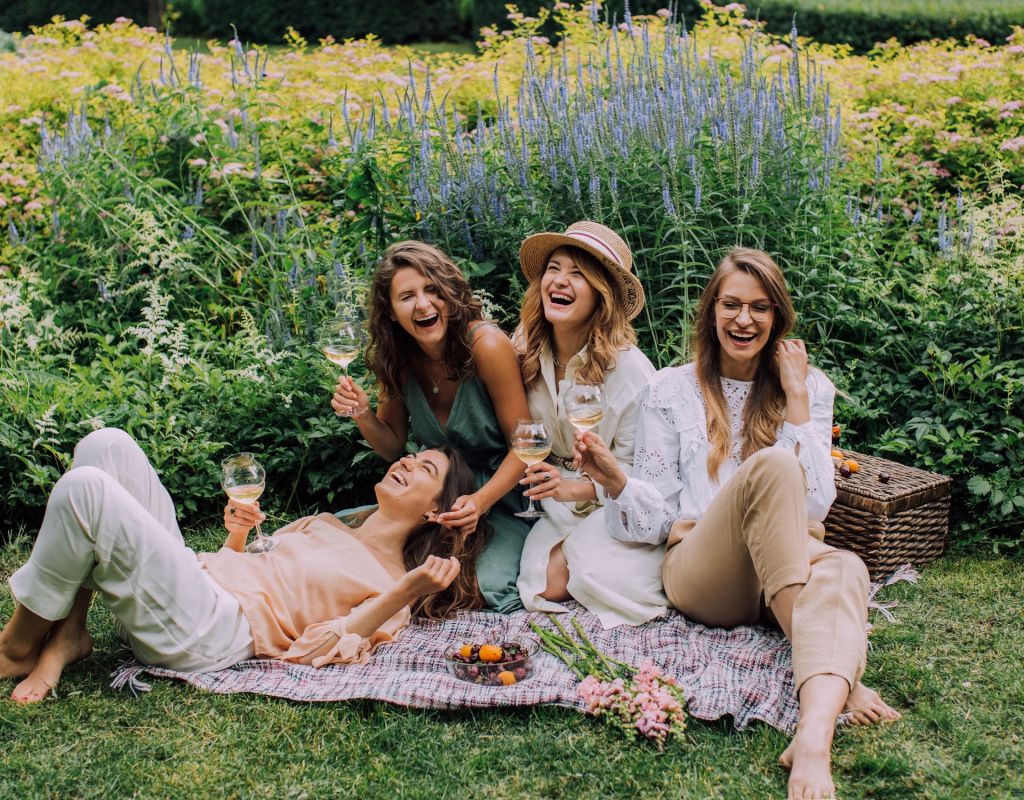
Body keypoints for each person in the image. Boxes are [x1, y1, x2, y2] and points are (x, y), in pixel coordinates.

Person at [575, 247, 900, 799]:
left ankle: (814, 735)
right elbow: (649, 520)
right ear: (711, 312)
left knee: (846, 565)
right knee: (774, 465)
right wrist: (616, 481)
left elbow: (817, 505)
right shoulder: (671, 390)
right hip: (707, 574)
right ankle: (845, 676)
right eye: (731, 305)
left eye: (760, 308)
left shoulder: (809, 388)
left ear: (777, 318)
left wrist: (796, 398)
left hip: (786, 562)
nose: (744, 320)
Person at [0, 427, 481, 704]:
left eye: (426, 470)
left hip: (211, 629)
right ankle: (68, 635)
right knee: (106, 447)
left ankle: (19, 644)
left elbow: (314, 651)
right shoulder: (326, 524)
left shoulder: (393, 583)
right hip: (196, 581)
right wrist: (235, 534)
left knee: (86, 488)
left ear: (435, 511)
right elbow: (246, 561)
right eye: (413, 456)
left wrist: (408, 591)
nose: (408, 463)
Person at [331, 241, 531, 613]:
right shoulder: (397, 359)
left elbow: (526, 446)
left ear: (450, 295)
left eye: (432, 290)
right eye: (406, 296)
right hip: (431, 497)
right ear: (391, 312)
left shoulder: (486, 345)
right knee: (344, 539)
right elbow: (392, 446)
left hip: (498, 497)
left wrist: (479, 502)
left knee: (481, 585)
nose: (423, 305)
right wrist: (362, 413)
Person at [513, 221, 667, 628]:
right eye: (554, 268)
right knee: (541, 585)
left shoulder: (631, 370)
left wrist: (575, 487)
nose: (560, 281)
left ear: (602, 295)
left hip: (610, 505)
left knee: (586, 572)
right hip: (552, 504)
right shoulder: (527, 345)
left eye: (578, 274)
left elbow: (644, 476)